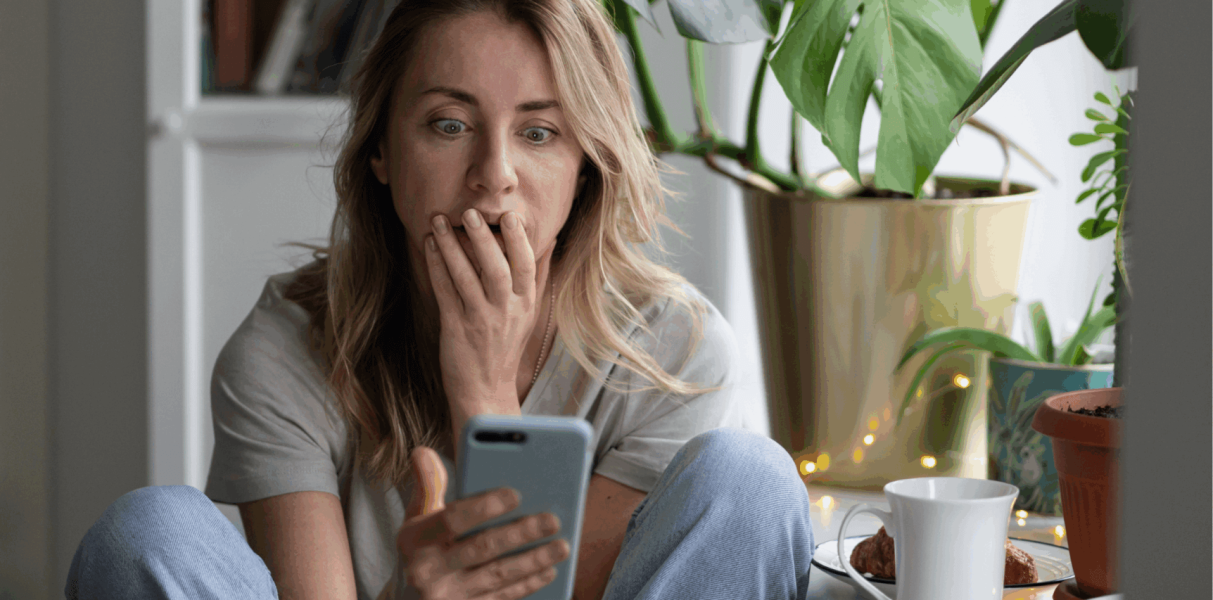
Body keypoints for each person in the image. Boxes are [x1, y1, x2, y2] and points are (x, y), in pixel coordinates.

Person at [65, 1, 814, 599]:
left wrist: (483, 390)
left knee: (748, 479)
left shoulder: (673, 350)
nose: (494, 175)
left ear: (585, 165)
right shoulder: (283, 349)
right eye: (448, 125)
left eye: (539, 132)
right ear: (382, 153)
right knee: (148, 530)